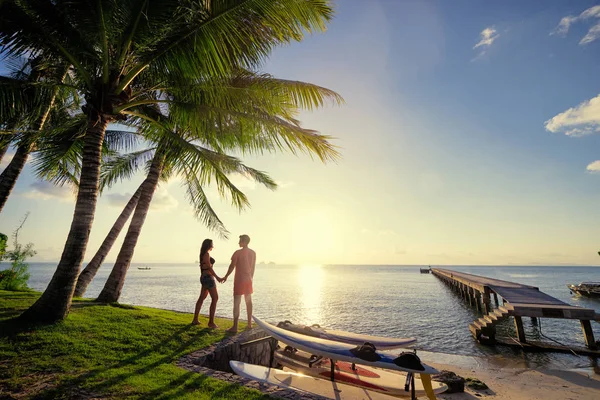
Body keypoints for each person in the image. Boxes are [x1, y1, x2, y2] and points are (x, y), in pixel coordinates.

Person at [223, 234, 256, 333]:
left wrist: (226, 276)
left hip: (239, 280)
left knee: (237, 303)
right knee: (248, 301)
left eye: (240, 241)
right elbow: (253, 267)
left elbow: (232, 266)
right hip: (248, 280)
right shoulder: (253, 253)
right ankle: (249, 324)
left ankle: (235, 327)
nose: (239, 242)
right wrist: (251, 278)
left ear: (245, 242)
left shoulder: (237, 253)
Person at [192, 238, 223, 328]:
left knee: (201, 298)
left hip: (204, 278)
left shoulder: (203, 254)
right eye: (212, 244)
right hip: (208, 278)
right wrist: (217, 277)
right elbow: (209, 268)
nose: (213, 245)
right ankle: (211, 322)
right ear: (209, 245)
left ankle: (195, 320)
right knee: (215, 298)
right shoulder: (206, 254)